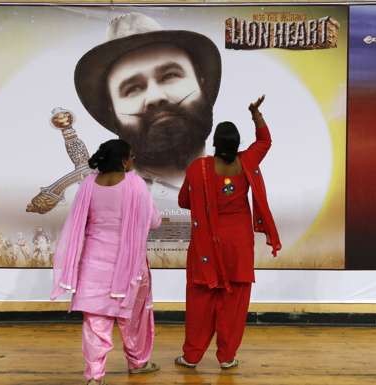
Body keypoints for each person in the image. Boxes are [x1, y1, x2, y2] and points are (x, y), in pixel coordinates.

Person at [175, 95, 282, 369]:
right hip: (238, 244)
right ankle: (227, 357)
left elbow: (183, 202)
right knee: (234, 302)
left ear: (214, 145)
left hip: (206, 244)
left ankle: (192, 356)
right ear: (237, 146)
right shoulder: (246, 162)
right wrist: (255, 114)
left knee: (201, 300)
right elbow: (265, 142)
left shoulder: (198, 169)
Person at [50, 139, 162, 385]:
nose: (133, 161)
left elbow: (81, 221)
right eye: (131, 156)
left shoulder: (89, 185)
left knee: (95, 324)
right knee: (133, 319)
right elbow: (153, 221)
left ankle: (94, 376)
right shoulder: (136, 185)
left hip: (94, 265)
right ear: (123, 160)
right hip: (130, 266)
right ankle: (138, 363)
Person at [74, 12, 221, 190]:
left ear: (201, 83)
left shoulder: (239, 181)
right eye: (132, 89)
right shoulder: (104, 195)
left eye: (170, 75)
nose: (155, 96)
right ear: (112, 110)